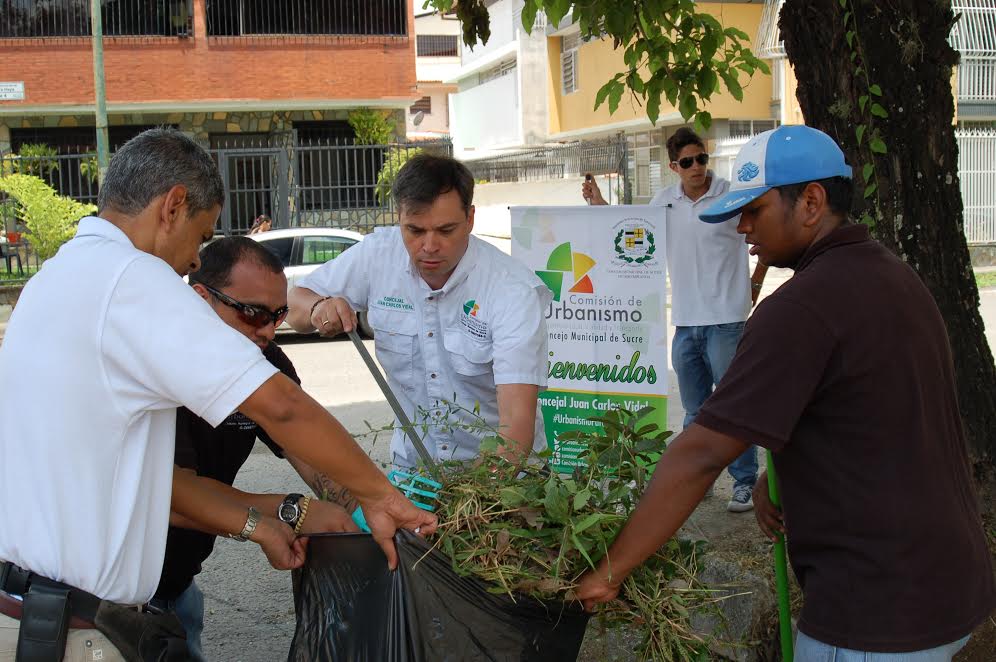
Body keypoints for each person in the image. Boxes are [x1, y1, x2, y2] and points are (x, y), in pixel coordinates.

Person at [0, 128, 435, 661]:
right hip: (73, 627)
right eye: (201, 235)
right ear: (173, 206)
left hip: (32, 608)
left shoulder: (56, 277)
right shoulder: (132, 277)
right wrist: (382, 498)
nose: (191, 262)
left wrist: (268, 521)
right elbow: (282, 409)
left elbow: (153, 484)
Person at [576, 126, 995, 659]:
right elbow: (857, 409)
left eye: (755, 210)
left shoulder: (799, 309)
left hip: (875, 610)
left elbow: (702, 454)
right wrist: (778, 478)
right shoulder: (895, 276)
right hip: (946, 583)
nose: (742, 227)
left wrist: (611, 571)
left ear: (812, 202)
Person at [152, 236, 360, 661]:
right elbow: (169, 497)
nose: (266, 329)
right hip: (109, 595)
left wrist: (366, 508)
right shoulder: (161, 368)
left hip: (178, 585)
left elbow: (309, 449)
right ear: (200, 299)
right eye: (252, 313)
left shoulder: (264, 360)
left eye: (278, 314)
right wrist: (292, 511)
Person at [287, 153, 551, 471]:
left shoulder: (512, 289)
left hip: (503, 481)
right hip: (414, 472)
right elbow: (293, 302)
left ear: (470, 219)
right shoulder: (377, 256)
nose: (429, 246)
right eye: (415, 230)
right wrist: (318, 307)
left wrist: (476, 504)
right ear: (399, 216)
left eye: (445, 230)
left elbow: (515, 428)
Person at [584, 128, 766, 512]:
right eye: (688, 162)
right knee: (695, 410)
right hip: (685, 321)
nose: (697, 167)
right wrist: (600, 204)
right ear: (673, 167)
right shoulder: (664, 201)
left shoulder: (731, 197)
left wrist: (755, 283)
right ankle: (696, 483)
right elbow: (632, 231)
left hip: (727, 319)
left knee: (734, 407)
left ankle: (744, 483)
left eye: (701, 158)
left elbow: (763, 237)